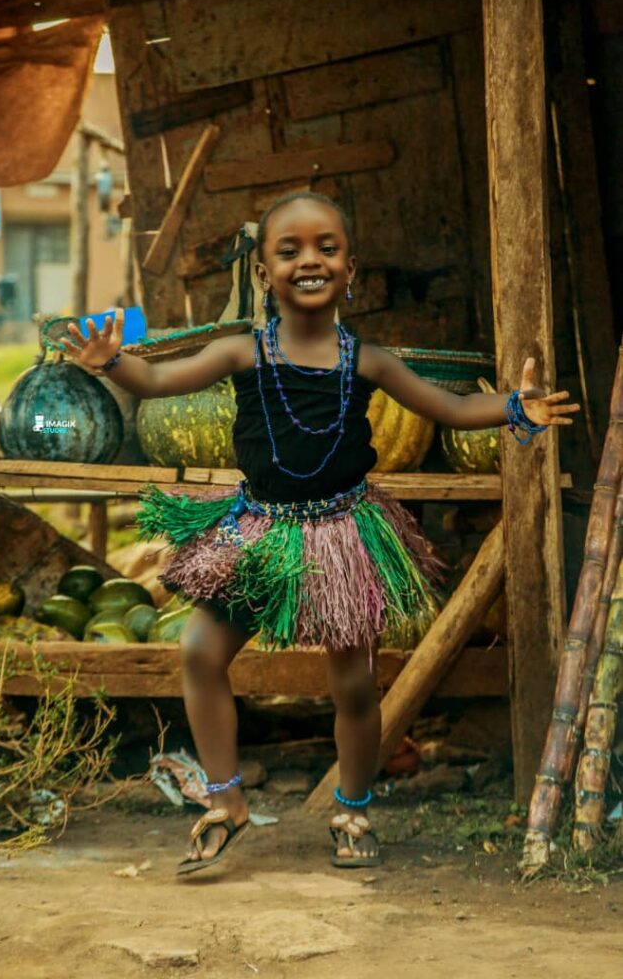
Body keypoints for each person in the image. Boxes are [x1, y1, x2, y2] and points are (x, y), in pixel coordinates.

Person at [61, 191, 579, 874]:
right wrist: (109, 363)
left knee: (355, 686)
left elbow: (450, 407)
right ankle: (224, 801)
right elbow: (155, 379)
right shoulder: (240, 351)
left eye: (326, 248)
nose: (309, 261)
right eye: (289, 250)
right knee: (198, 653)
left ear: (350, 268)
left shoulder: (368, 361)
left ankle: (353, 807)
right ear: (263, 273)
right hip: (257, 532)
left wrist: (513, 406)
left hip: (342, 536)